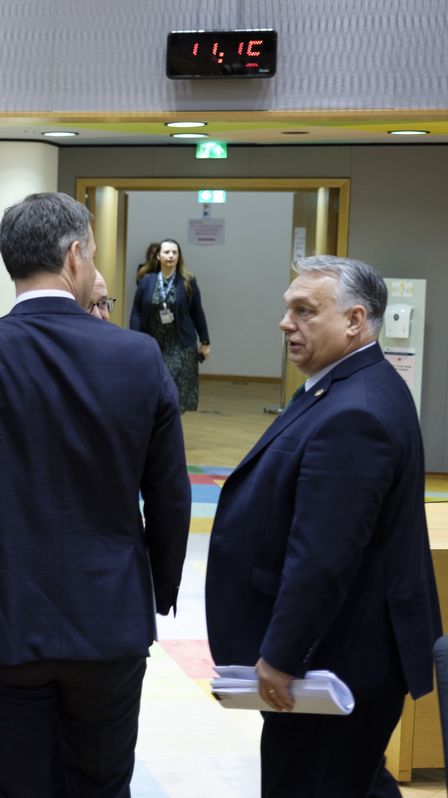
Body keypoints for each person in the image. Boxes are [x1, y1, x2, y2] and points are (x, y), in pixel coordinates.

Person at [0, 192, 191, 797]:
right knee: (100, 784)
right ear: (74, 257)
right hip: (111, 617)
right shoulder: (138, 355)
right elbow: (169, 493)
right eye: (92, 255)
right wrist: (160, 589)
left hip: (1, 618)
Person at [205, 255, 440, 798]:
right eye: (288, 309)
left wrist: (281, 656)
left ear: (355, 320)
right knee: (355, 781)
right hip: (347, 653)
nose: (286, 323)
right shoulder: (351, 383)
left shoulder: (354, 411)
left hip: (333, 661)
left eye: (305, 311)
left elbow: (324, 556)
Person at [129, 238, 211, 411]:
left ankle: (171, 430)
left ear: (179, 257)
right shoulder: (147, 281)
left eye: (175, 252)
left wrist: (205, 341)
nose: (171, 255)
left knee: (173, 390)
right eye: (166, 252)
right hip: (154, 343)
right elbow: (136, 311)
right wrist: (135, 338)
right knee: (156, 389)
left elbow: (197, 312)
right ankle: (162, 429)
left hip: (180, 345)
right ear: (158, 256)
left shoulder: (188, 281)